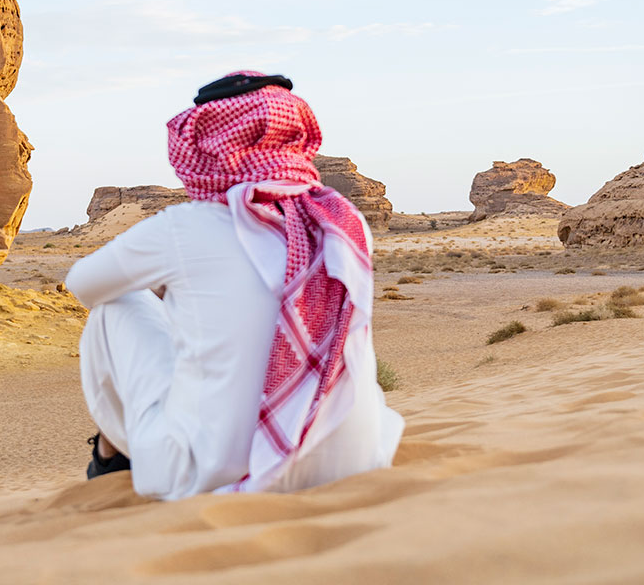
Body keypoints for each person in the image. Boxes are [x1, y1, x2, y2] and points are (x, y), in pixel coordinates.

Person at [65, 71, 404, 500]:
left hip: (213, 475)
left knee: (114, 307)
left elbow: (82, 285)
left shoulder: (185, 227)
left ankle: (110, 454)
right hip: (351, 465)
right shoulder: (342, 222)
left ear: (205, 144)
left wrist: (170, 291)